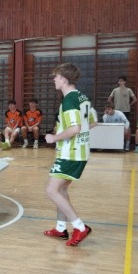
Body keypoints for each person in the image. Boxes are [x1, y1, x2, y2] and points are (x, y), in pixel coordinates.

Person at [43, 63, 97, 247]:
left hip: (70, 153)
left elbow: (75, 129)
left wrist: (54, 138)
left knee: (51, 190)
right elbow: (93, 122)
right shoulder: (83, 97)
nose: (54, 79)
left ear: (64, 80)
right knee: (61, 190)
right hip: (80, 151)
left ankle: (80, 227)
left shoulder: (69, 100)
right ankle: (61, 228)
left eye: (56, 76)